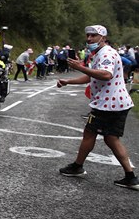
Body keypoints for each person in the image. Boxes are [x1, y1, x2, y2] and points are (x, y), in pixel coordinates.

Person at [57, 25, 138, 190]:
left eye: (93, 36)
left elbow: (106, 74)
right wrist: (68, 81)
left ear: (103, 37)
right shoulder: (100, 53)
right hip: (113, 103)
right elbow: (90, 76)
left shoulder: (106, 53)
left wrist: (80, 67)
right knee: (109, 138)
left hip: (109, 104)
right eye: (88, 35)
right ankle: (130, 177)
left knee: (92, 134)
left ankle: (77, 167)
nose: (89, 39)